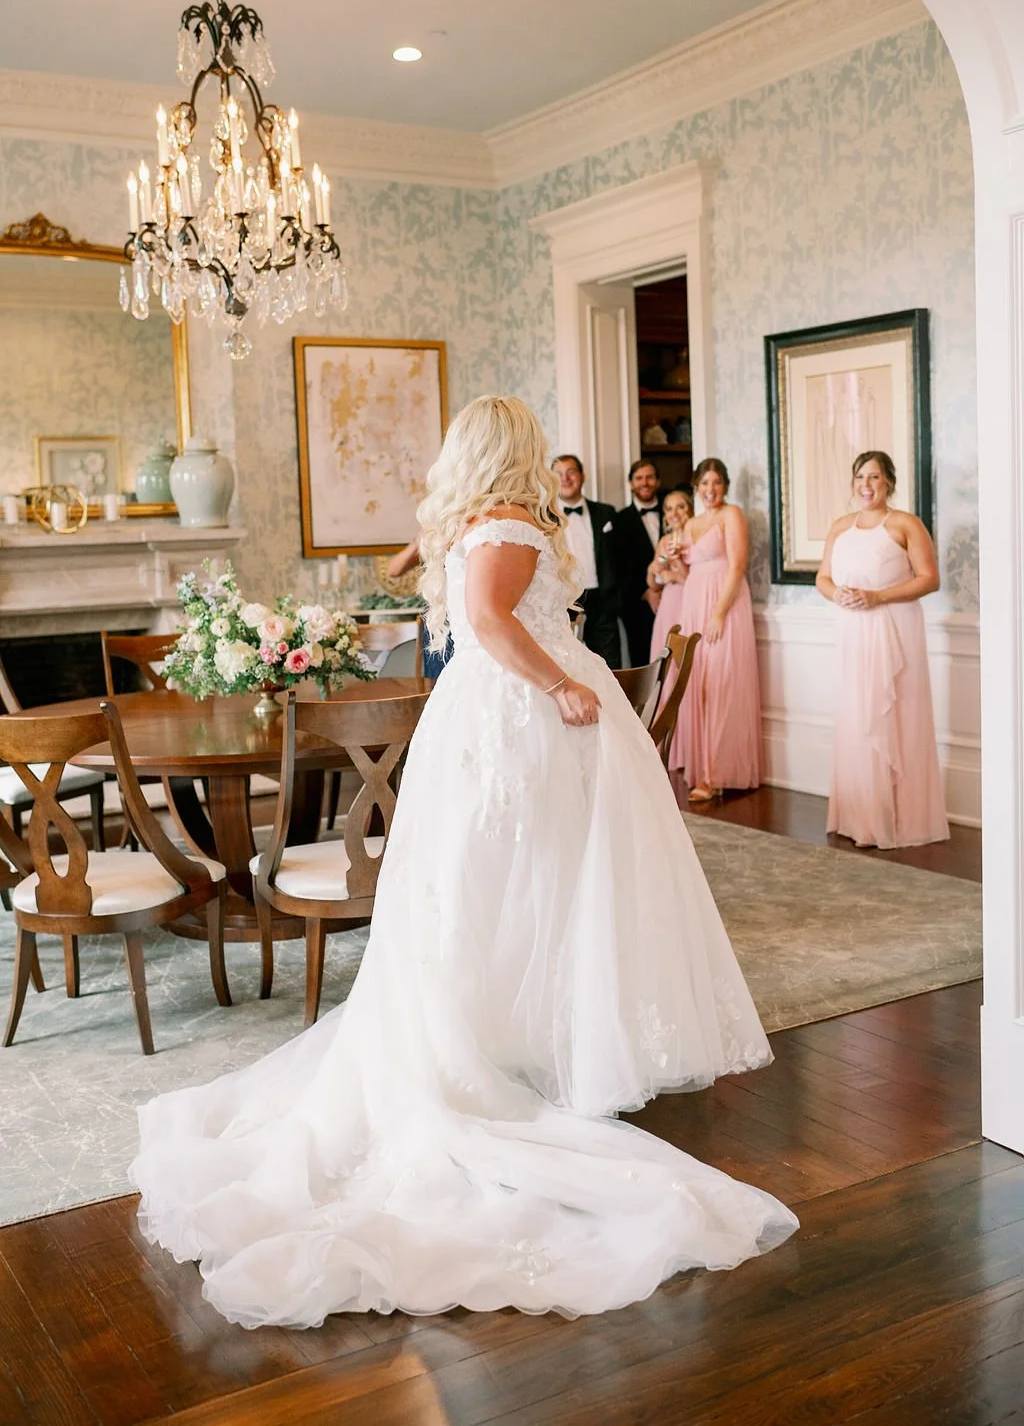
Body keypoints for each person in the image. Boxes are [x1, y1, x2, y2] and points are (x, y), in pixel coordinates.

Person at [130, 396, 795, 1329]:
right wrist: (564, 681)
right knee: (537, 887)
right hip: (523, 714)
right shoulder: (512, 521)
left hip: (484, 717)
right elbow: (489, 620)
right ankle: (521, 1050)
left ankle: (521, 1038)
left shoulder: (471, 522)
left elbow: (477, 617)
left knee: (508, 893)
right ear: (516, 452)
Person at [816, 450, 949, 849]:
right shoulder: (840, 526)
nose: (866, 485)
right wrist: (837, 593)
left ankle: (901, 817)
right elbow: (822, 577)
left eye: (874, 477)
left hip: (894, 631)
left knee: (896, 717)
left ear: (888, 482)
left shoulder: (905, 523)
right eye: (860, 477)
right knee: (858, 716)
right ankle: (860, 814)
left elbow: (929, 579)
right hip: (852, 630)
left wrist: (878, 597)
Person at [674, 459, 761, 800]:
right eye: (704, 483)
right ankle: (704, 768)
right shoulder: (692, 523)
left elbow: (738, 567)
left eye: (717, 483)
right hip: (694, 604)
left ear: (725, 486)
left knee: (722, 684)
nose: (710, 490)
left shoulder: (731, 515)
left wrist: (719, 614)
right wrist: (672, 560)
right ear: (696, 486)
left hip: (724, 606)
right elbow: (684, 576)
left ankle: (719, 773)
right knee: (699, 685)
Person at [552, 452, 620, 668]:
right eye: (559, 474)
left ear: (582, 476)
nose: (565, 478)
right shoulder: (545, 516)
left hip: (602, 600)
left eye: (571, 472)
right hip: (564, 601)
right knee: (569, 665)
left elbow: (620, 557)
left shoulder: (606, 513)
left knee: (610, 664)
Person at [612, 459, 664, 664]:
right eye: (639, 478)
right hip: (637, 604)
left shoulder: (673, 512)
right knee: (643, 662)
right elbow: (618, 565)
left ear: (658, 481)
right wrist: (647, 591)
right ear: (631, 483)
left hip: (674, 596)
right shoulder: (619, 520)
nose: (645, 483)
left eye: (650, 477)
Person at [385, 538, 451, 679]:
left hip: (465, 615)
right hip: (439, 616)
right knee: (438, 676)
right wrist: (419, 540)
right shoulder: (435, 538)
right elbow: (393, 570)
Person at [647, 488, 694, 663]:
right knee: (667, 656)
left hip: (688, 602)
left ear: (690, 508)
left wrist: (673, 575)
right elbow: (655, 585)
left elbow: (697, 582)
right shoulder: (664, 542)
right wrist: (652, 571)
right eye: (669, 509)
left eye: (680, 507)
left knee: (686, 656)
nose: (674, 513)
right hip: (668, 604)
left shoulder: (695, 539)